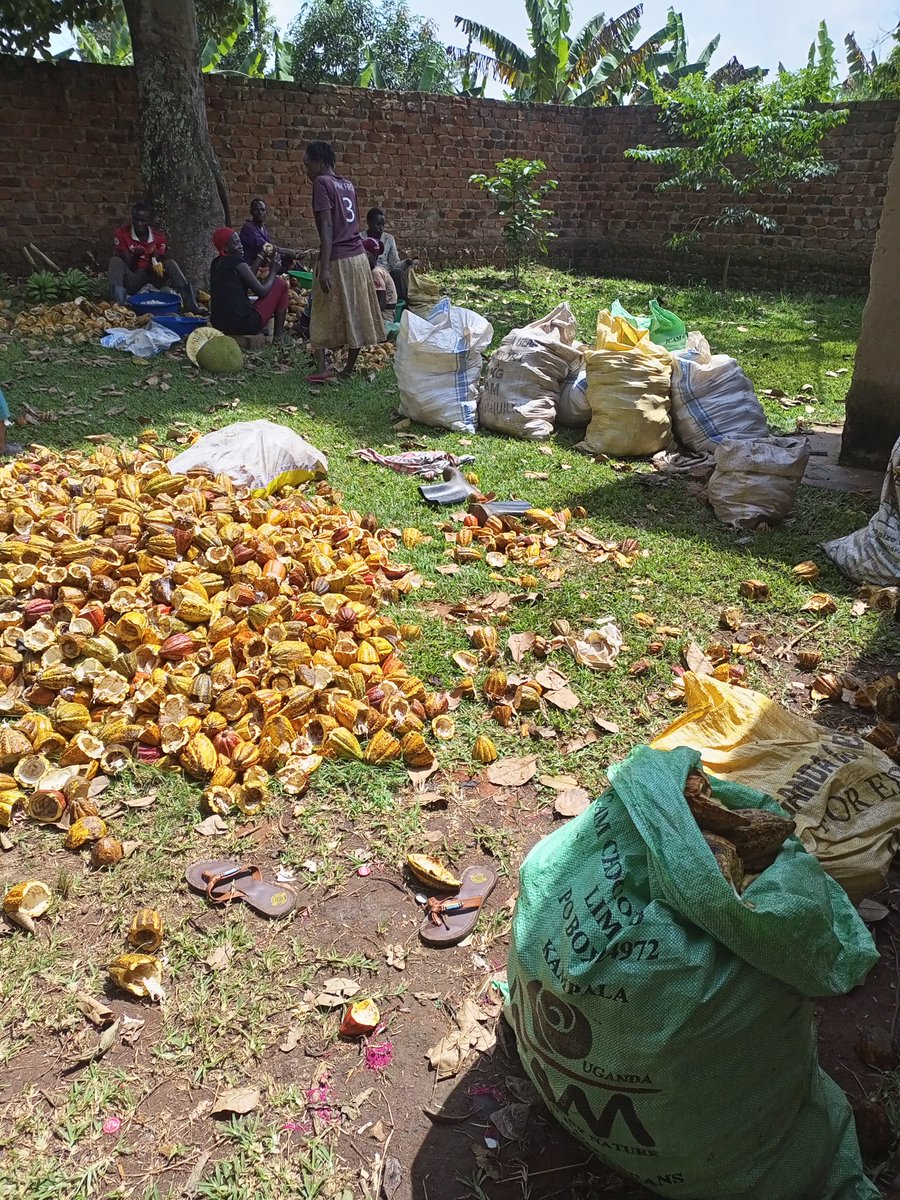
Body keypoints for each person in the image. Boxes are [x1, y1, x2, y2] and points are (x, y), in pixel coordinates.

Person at [304, 141, 385, 383]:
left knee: (319, 309)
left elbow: (328, 227)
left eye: (306, 164)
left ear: (319, 162)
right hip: (358, 257)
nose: (305, 170)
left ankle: (322, 368)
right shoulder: (346, 184)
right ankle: (347, 368)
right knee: (356, 312)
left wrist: (325, 266)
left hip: (338, 258)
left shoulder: (321, 183)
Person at [109, 201, 199, 312]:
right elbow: (129, 265)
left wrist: (155, 258)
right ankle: (119, 305)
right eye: (135, 219)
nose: (138, 224)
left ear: (149, 221)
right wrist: (137, 256)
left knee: (171, 263)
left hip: (152, 276)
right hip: (133, 278)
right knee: (115, 261)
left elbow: (159, 265)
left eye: (143, 220)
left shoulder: (158, 237)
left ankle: (191, 304)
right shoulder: (122, 233)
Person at [208, 227, 290, 342]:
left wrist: (261, 255)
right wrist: (273, 272)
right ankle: (278, 338)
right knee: (281, 285)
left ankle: (278, 338)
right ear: (226, 248)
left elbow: (247, 277)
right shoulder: (236, 261)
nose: (241, 246)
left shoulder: (216, 263)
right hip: (244, 324)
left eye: (240, 242)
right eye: (236, 243)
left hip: (220, 324)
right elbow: (261, 292)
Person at [239, 198, 300, 276]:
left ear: (265, 212)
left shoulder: (263, 228)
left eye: (262, 210)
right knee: (289, 259)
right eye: (256, 210)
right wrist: (291, 252)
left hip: (264, 263)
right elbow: (267, 248)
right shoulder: (248, 227)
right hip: (252, 266)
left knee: (291, 261)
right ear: (251, 212)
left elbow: (272, 251)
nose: (260, 212)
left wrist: (290, 255)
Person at [366, 208, 416, 302]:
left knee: (398, 273)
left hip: (386, 276)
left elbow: (394, 265)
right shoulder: (361, 239)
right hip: (368, 275)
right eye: (378, 225)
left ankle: (402, 308)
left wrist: (407, 262)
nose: (381, 228)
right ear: (369, 223)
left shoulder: (388, 239)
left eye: (382, 225)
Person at [363, 236, 397, 324]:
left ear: (369, 255)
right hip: (387, 313)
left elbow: (381, 303)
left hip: (384, 316)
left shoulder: (376, 272)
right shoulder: (379, 269)